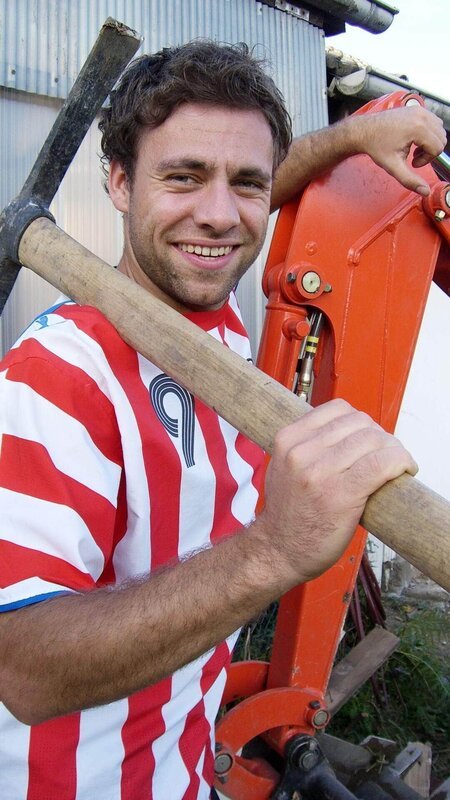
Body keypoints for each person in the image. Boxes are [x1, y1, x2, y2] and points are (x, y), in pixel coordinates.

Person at [0, 41, 445, 800]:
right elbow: (23, 668)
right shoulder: (60, 377)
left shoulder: (215, 313)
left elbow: (231, 202)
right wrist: (273, 550)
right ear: (117, 181)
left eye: (247, 183)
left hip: (181, 773)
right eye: (181, 176)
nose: (218, 215)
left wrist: (352, 138)